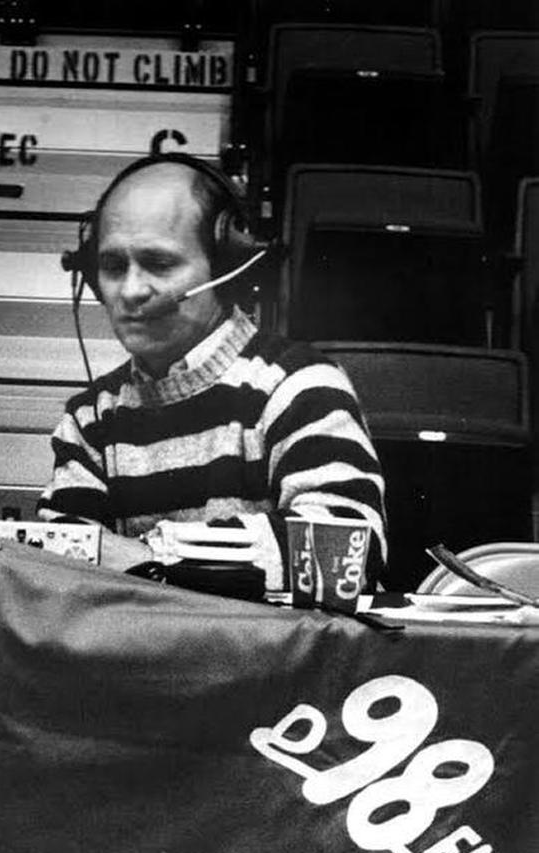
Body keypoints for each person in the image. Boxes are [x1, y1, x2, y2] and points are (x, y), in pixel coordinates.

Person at [40, 153, 387, 589]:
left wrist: (154, 558)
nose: (130, 290)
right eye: (112, 267)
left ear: (226, 267)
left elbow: (348, 552)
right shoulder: (88, 419)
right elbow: (61, 578)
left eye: (159, 264)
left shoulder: (300, 386)